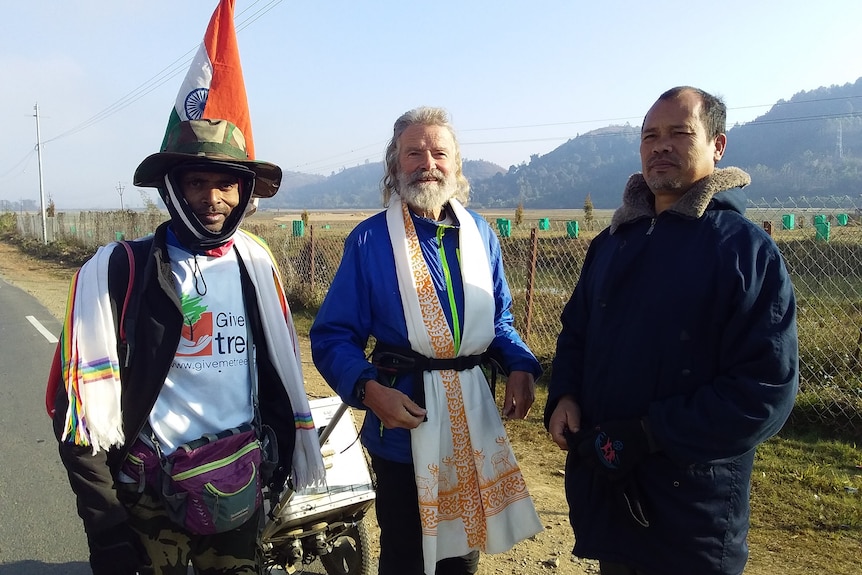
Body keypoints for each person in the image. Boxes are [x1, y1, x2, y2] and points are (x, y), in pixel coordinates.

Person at [48, 118, 325, 575]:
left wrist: (273, 473)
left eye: (226, 184)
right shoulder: (116, 274)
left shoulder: (255, 266)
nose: (212, 198)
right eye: (197, 182)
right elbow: (77, 421)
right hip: (148, 499)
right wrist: (107, 528)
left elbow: (277, 379)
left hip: (236, 486)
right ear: (172, 189)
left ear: (244, 191)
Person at [544, 86, 799, 575]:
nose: (660, 146)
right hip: (608, 490)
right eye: (649, 136)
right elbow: (575, 332)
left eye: (679, 133)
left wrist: (649, 433)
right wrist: (565, 396)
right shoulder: (613, 243)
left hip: (692, 511)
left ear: (717, 146)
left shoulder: (744, 251)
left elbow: (764, 391)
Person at [310, 106, 544, 575]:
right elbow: (333, 335)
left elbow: (499, 320)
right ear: (395, 167)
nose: (428, 163)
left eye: (439, 153)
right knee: (406, 554)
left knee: (462, 553)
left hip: (471, 422)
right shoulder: (369, 241)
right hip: (403, 426)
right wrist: (370, 391)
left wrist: (521, 365)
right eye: (413, 153)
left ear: (456, 166)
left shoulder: (480, 235)